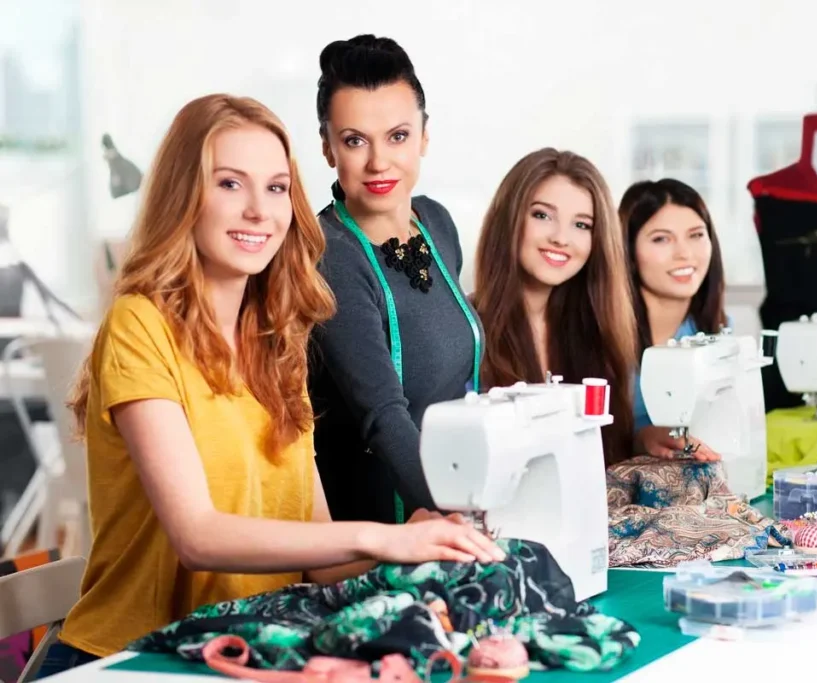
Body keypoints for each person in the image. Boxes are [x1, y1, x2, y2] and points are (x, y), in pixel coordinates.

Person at [39, 94, 503, 678]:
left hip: (245, 650)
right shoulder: (141, 325)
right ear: (184, 196)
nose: (259, 210)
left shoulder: (277, 344)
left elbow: (319, 555)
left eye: (277, 188)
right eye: (230, 184)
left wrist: (419, 543)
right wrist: (385, 542)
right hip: (130, 659)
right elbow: (198, 536)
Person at [308, 35, 483, 526]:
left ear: (424, 136)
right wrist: (451, 520)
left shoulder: (437, 223)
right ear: (327, 147)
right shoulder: (329, 256)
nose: (379, 162)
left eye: (398, 136)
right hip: (388, 522)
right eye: (355, 140)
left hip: (453, 495)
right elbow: (383, 415)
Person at [473, 148, 636, 466]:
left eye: (582, 225)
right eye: (542, 215)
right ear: (508, 220)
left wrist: (646, 437)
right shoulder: (465, 331)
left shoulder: (596, 335)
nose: (561, 238)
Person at [619, 178, 728, 461]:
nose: (684, 253)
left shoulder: (716, 331)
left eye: (696, 235)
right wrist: (641, 439)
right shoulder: (601, 335)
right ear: (628, 252)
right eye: (661, 239)